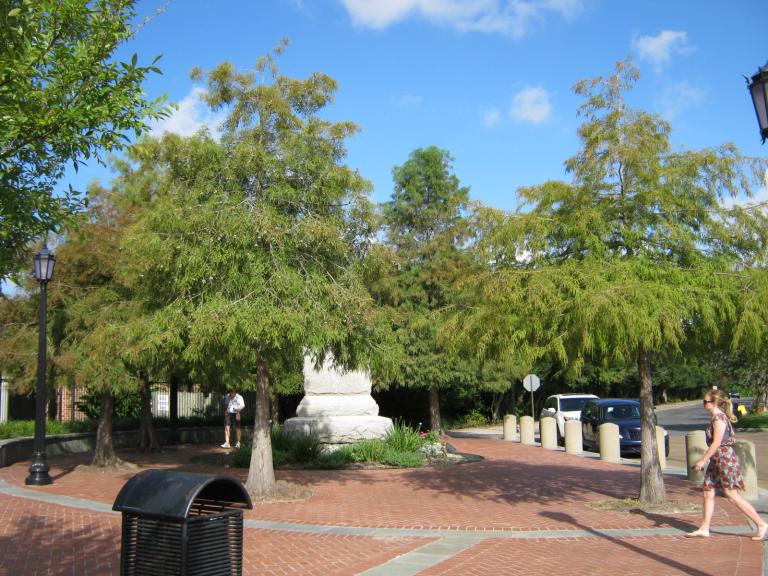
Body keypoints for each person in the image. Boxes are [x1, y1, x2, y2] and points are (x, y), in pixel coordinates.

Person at [686, 389, 767, 539]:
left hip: (724, 460)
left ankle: (761, 524)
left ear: (715, 402)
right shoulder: (715, 418)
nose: (703, 404)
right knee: (707, 492)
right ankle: (704, 528)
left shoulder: (719, 419)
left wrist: (703, 459)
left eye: (706, 401)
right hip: (716, 460)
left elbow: (717, 442)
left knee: (732, 495)